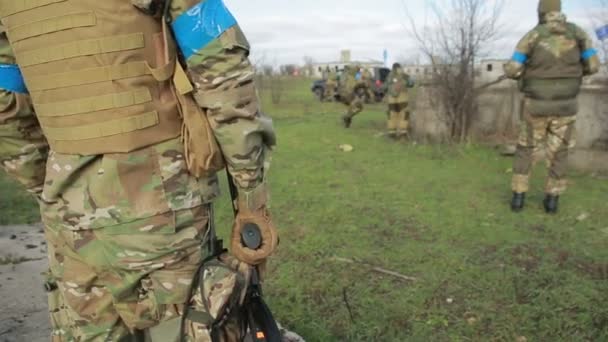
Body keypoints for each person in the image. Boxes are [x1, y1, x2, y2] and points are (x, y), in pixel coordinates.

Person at [0, 0, 279, 340]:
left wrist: (51, 185)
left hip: (66, 214)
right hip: (161, 206)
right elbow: (223, 75)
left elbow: (6, 106)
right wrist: (250, 196)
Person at [504, 0, 599, 213]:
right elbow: (593, 66)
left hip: (535, 106)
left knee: (526, 149)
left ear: (541, 12)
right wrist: (573, 73)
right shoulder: (578, 34)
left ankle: (518, 199)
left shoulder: (533, 35)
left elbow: (512, 69)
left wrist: (522, 72)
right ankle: (552, 201)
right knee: (559, 152)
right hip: (566, 107)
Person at [385, 63, 413, 139]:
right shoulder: (404, 75)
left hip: (391, 101)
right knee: (404, 115)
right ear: (399, 68)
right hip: (402, 99)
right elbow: (411, 83)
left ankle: (391, 134)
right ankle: (402, 135)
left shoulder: (389, 76)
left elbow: (384, 87)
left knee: (392, 116)